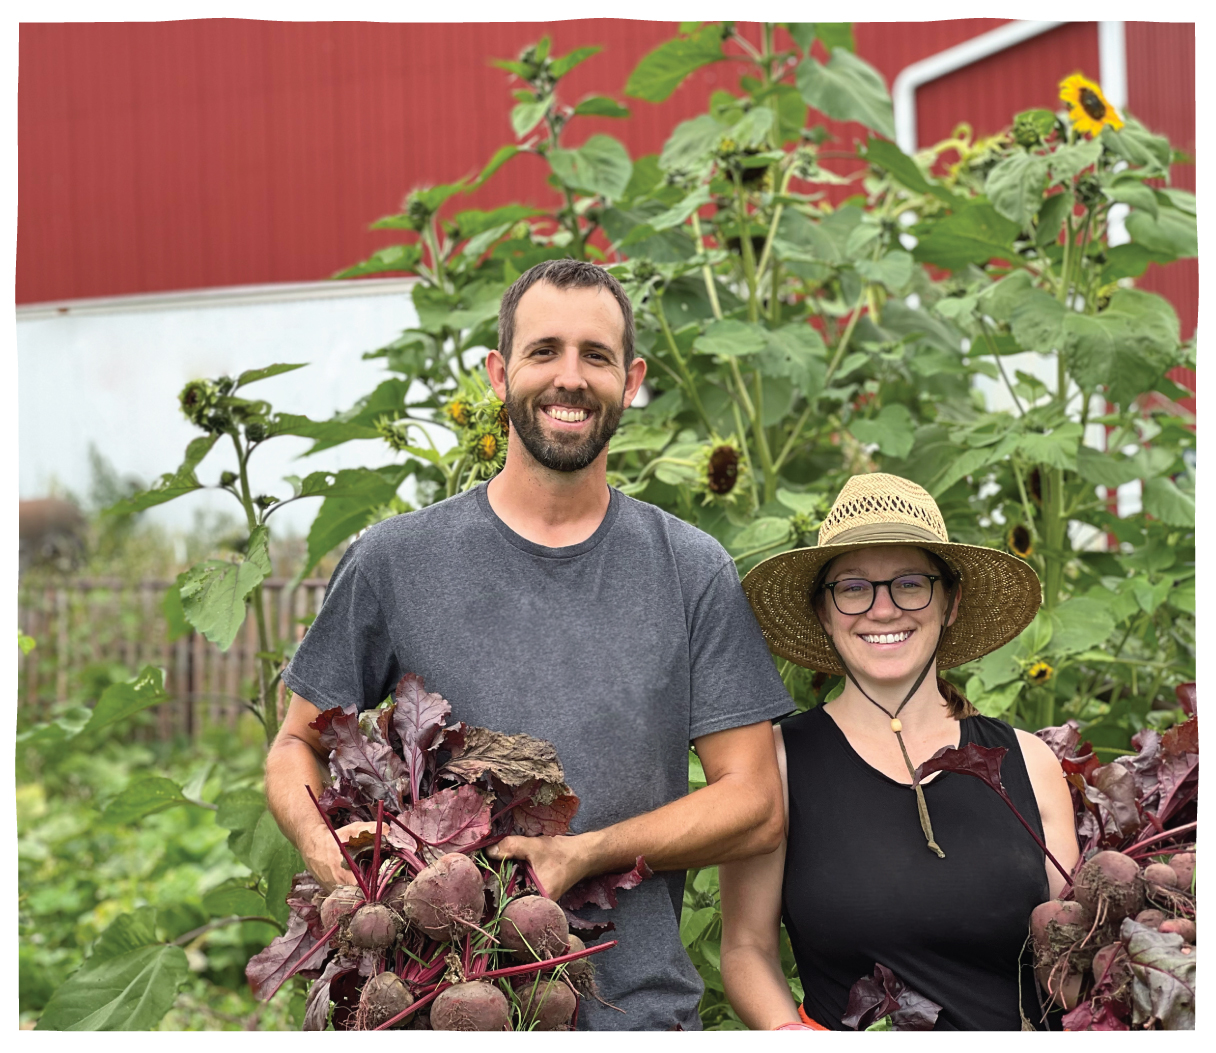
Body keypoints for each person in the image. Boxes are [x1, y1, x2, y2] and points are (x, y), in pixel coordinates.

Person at [264, 258, 794, 1030]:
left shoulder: (690, 568)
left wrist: (590, 851)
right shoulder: (394, 561)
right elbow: (293, 747)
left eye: (597, 356)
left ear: (633, 378)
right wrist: (327, 851)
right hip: (428, 1008)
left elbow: (755, 804)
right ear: (498, 372)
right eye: (544, 351)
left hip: (633, 1017)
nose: (569, 378)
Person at [721, 472, 1080, 1031]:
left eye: (910, 583)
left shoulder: (1030, 763)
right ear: (824, 611)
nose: (883, 610)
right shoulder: (776, 764)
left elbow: (1072, 957)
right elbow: (746, 949)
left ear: (951, 602)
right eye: (853, 587)